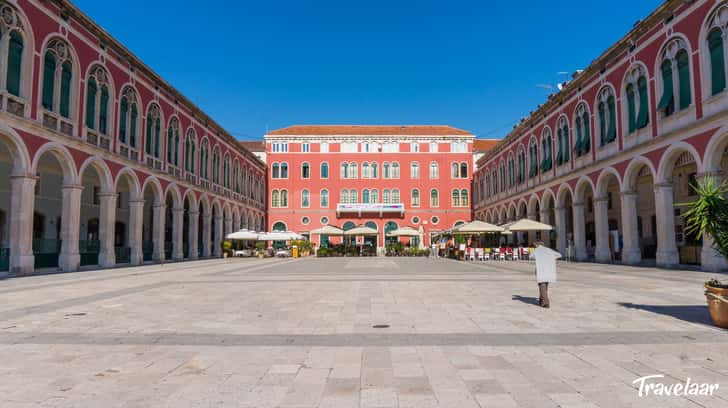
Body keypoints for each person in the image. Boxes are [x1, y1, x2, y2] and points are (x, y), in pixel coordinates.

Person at [534, 240, 562, 308]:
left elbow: (530, 256)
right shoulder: (549, 250)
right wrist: (550, 257)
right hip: (549, 271)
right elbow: (559, 255)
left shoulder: (537, 250)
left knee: (542, 286)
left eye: (535, 245)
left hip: (541, 271)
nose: (535, 246)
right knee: (544, 286)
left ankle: (546, 303)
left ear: (538, 245)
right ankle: (541, 300)